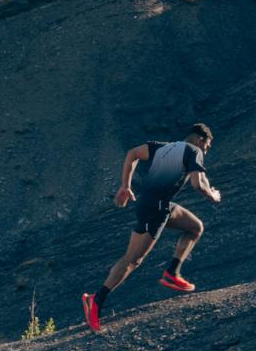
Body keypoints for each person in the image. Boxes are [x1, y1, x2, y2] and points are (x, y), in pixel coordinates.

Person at [83, 123, 221, 332]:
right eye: (208, 146)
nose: (206, 151)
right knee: (132, 260)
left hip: (157, 205)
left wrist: (126, 186)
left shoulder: (164, 147)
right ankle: (95, 300)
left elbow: (132, 154)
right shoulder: (194, 150)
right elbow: (197, 184)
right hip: (154, 210)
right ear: (200, 140)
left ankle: (172, 272)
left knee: (195, 227)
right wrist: (213, 195)